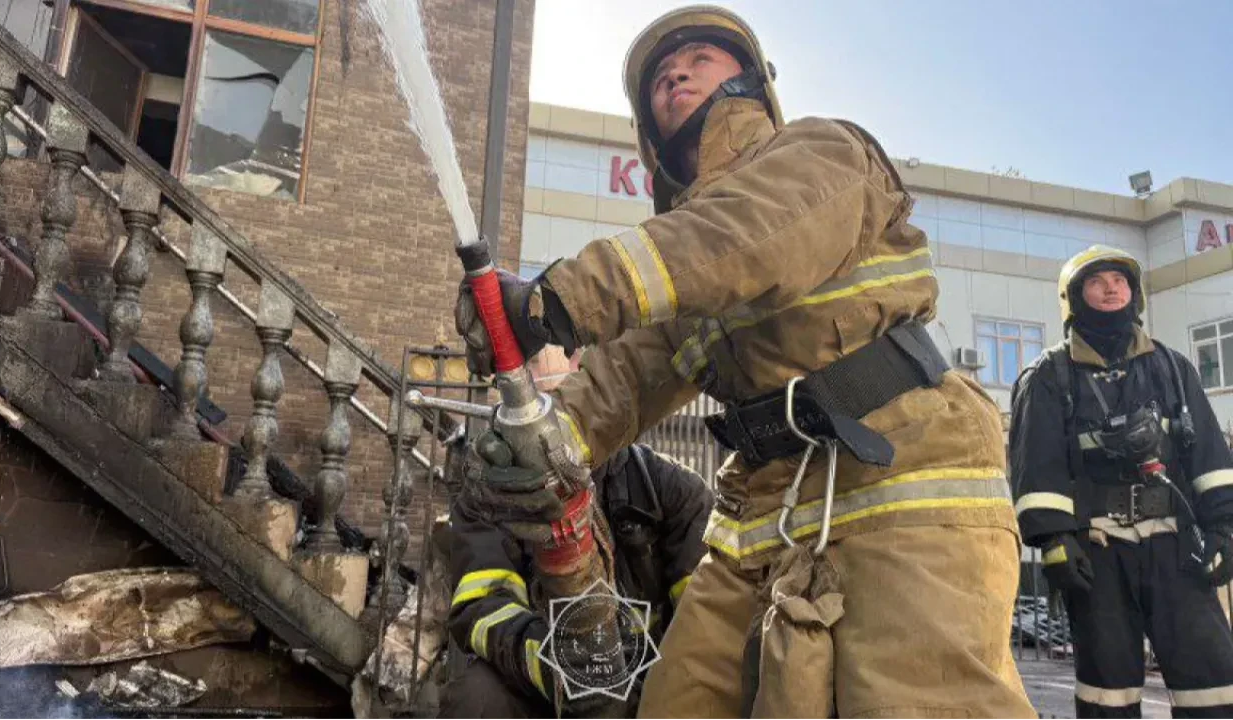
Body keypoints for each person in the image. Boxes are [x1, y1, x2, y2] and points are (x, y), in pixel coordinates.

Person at [455, 5, 1035, 719]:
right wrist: (534, 446)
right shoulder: (685, 269)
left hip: (905, 479)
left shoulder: (821, 153)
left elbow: (747, 235)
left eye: (700, 56)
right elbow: (627, 377)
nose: (676, 71)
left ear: (754, 83)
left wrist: (557, 298)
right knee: (678, 704)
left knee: (914, 702)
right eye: (661, 77)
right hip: (764, 506)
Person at [1009, 245, 1233, 719]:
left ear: (1135, 294)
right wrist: (1054, 543)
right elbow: (1037, 466)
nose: (1111, 288)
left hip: (1177, 550)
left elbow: (1210, 457)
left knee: (1214, 681)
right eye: (1097, 281)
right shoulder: (1049, 377)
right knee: (1108, 692)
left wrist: (1225, 528)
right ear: (1073, 298)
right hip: (1097, 555)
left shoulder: (1173, 368)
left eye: (1120, 280)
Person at [440, 348, 713, 720]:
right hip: (543, 684)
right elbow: (482, 607)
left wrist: (653, 688)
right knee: (477, 697)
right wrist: (561, 664)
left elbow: (707, 623)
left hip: (652, 686)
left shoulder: (672, 492)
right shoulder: (488, 500)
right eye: (532, 362)